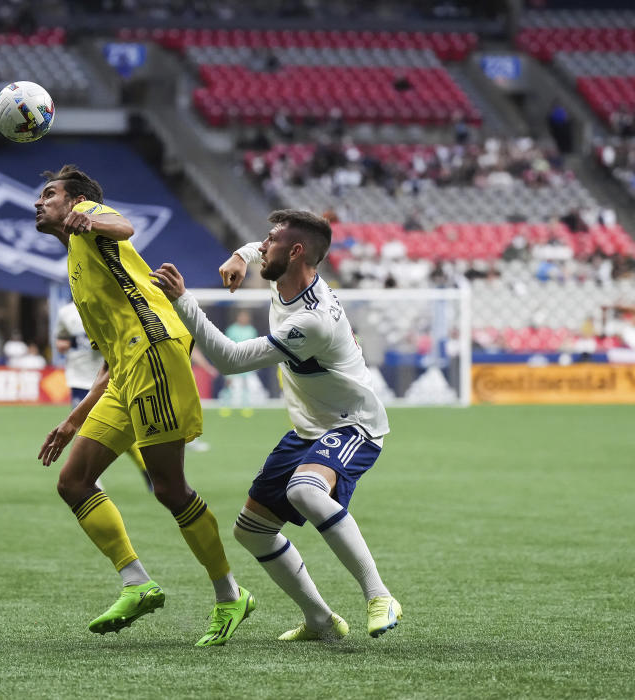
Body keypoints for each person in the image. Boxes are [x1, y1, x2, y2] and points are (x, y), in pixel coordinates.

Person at [150, 209, 402, 641]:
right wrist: (239, 255)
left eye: (271, 241)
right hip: (308, 427)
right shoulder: (282, 270)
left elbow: (229, 361)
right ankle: (321, 621)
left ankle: (379, 595)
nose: (262, 245)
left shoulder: (313, 320)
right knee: (252, 531)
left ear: (296, 251)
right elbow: (258, 249)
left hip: (352, 424)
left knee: (304, 490)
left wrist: (183, 301)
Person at [34, 165, 253, 646]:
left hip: (155, 350)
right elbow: (109, 360)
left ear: (73, 203)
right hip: (127, 367)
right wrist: (74, 420)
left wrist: (89, 220)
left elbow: (124, 226)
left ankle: (230, 594)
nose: (39, 202)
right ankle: (137, 582)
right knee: (73, 482)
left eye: (50, 194)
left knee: (170, 488)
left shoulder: (89, 218)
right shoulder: (75, 263)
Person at [56, 300, 153, 491]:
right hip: (79, 380)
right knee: (85, 429)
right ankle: (91, 480)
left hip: (107, 379)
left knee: (116, 429)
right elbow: (61, 342)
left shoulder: (109, 307)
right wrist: (72, 343)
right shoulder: (66, 313)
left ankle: (147, 469)